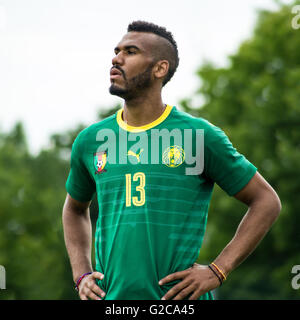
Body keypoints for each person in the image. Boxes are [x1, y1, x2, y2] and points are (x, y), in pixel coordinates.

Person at [62, 21, 281, 300]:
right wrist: (81, 274)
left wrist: (217, 270)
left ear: (160, 68)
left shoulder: (198, 136)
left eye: (130, 52)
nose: (116, 58)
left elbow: (266, 201)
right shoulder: (91, 140)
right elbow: (74, 209)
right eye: (116, 51)